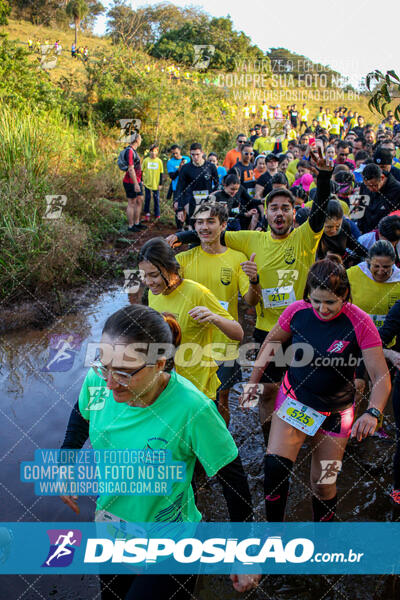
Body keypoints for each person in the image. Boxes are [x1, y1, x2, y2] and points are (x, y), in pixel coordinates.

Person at [60, 304, 258, 597]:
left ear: (160, 364)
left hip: (171, 544)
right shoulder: (98, 381)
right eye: (104, 366)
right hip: (113, 534)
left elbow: (233, 480)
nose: (111, 383)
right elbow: (80, 416)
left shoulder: (193, 409)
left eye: (125, 373)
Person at [168, 148, 334, 444]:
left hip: (306, 327)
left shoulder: (305, 237)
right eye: (274, 208)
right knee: (268, 390)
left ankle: (307, 437)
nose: (279, 213)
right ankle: (272, 440)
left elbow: (320, 211)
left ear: (294, 213)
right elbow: (213, 234)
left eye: (285, 208)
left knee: (307, 388)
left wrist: (324, 176)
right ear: (267, 213)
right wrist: (183, 236)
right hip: (266, 328)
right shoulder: (251, 238)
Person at [242, 257, 390, 522]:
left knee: (323, 485)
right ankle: (273, 532)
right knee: (275, 468)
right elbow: (270, 343)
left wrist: (373, 412)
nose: (322, 309)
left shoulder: (360, 321)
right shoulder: (297, 311)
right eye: (315, 300)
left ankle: (324, 541)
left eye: (330, 302)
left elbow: (381, 375)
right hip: (295, 401)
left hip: (336, 413)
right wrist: (253, 381)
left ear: (344, 295)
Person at [175, 202, 260, 424]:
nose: (204, 227)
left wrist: (254, 280)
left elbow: (251, 300)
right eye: (200, 222)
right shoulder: (182, 260)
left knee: (220, 400)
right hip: (189, 343)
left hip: (224, 343)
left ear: (223, 225)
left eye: (210, 222)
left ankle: (220, 448)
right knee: (187, 399)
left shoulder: (236, 258)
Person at [139, 238, 243, 401]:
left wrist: (214, 318)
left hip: (198, 388)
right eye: (144, 275)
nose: (148, 282)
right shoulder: (153, 294)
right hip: (169, 384)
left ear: (171, 268)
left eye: (153, 275)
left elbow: (238, 333)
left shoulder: (197, 293)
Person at [347, 241, 400, 331]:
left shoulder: (398, 279)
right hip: (356, 336)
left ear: (393, 263)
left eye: (386, 267)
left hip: (389, 340)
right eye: (376, 266)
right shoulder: (351, 275)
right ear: (368, 261)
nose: (380, 271)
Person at [176, 143, 219, 226]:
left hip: (207, 200)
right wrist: (180, 208)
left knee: (206, 225)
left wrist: (214, 198)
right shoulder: (185, 168)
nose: (195, 157)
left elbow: (217, 185)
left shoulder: (211, 167)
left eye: (197, 154)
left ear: (202, 153)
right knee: (194, 224)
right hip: (191, 201)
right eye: (193, 154)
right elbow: (180, 188)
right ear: (190, 154)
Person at [316, 199, 368, 265]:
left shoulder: (345, 226)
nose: (333, 230)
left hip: (341, 264)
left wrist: (370, 255)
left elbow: (352, 244)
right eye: (329, 227)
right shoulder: (316, 232)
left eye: (337, 226)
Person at [359, 164, 400, 233]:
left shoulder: (397, 190)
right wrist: (359, 228)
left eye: (374, 185)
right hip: (366, 232)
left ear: (382, 178)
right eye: (368, 186)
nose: (370, 189)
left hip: (388, 234)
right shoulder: (364, 186)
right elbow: (358, 208)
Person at [122, 132, 146, 232]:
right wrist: (136, 183)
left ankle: (137, 222)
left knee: (140, 200)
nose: (141, 140)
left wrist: (140, 181)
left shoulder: (134, 151)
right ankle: (131, 226)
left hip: (137, 180)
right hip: (130, 181)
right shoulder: (130, 151)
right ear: (136, 140)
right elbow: (131, 169)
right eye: (140, 138)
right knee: (131, 202)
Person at [167, 145, 190, 229]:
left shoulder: (187, 159)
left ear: (180, 151)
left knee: (188, 206)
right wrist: (179, 169)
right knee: (178, 208)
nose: (175, 155)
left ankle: (188, 226)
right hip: (177, 188)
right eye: (173, 154)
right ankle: (179, 228)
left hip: (188, 187)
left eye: (176, 153)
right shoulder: (170, 162)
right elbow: (172, 176)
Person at [142, 144, 164, 221]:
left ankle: (157, 214)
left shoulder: (159, 161)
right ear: (149, 152)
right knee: (147, 198)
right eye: (151, 151)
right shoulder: (146, 160)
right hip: (147, 183)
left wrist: (160, 184)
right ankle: (147, 213)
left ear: (157, 152)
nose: (153, 153)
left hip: (156, 184)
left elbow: (161, 173)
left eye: (155, 151)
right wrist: (142, 180)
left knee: (156, 199)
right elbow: (142, 171)